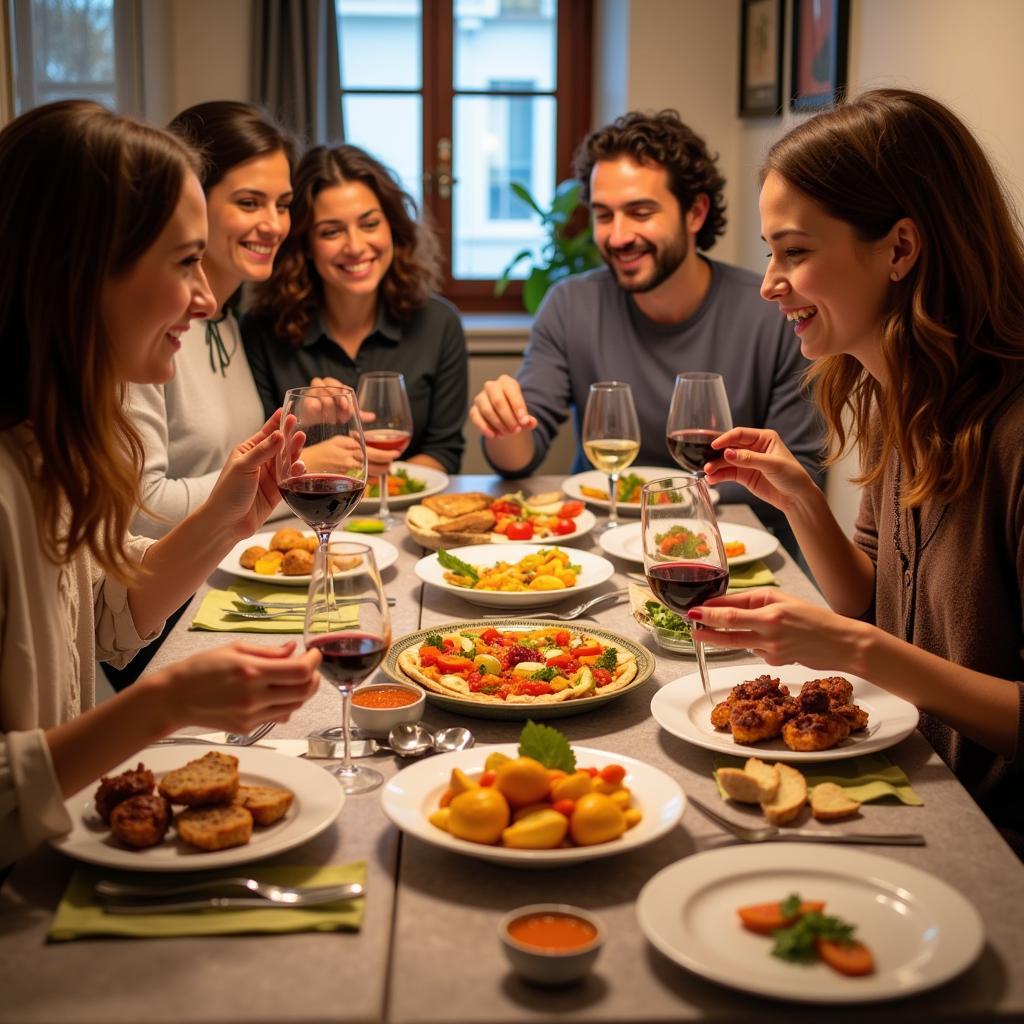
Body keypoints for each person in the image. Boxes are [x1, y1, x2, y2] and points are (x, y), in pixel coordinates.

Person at [690, 89, 1024, 855]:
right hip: (914, 779)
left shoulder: (1013, 430)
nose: (769, 282)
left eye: (795, 252)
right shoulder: (900, 392)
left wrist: (851, 649)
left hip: (992, 839)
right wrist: (802, 501)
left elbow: (870, 636)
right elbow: (873, 598)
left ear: (900, 249)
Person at [0, 101, 321, 868]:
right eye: (185, 263)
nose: (208, 301)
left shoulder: (47, 451)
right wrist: (163, 704)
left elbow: (108, 613)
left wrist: (225, 517)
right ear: (82, 270)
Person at [469, 110, 823, 545]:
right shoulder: (570, 304)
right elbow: (520, 455)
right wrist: (506, 427)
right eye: (603, 215)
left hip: (736, 549)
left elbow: (801, 471)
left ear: (695, 213)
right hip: (602, 541)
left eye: (639, 212)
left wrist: (669, 509)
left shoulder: (776, 309)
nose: (618, 236)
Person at [242, 144, 468, 475]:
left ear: (393, 226)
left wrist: (369, 480)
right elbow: (252, 459)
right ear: (304, 244)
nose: (356, 247)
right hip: (299, 518)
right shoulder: (260, 329)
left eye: (369, 224)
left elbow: (444, 453)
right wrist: (302, 420)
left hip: (404, 518)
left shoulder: (439, 323)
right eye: (331, 231)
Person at [129, 101, 295, 539]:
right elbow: (139, 512)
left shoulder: (226, 321)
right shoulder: (147, 331)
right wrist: (281, 473)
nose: (274, 225)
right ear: (191, 199)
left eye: (283, 204)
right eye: (249, 202)